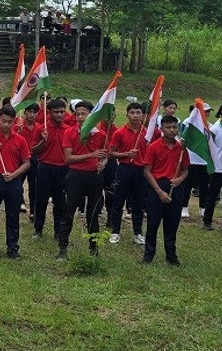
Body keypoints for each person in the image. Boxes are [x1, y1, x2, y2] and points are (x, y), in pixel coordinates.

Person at [0, 106, 32, 258]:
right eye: (3, 121)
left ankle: (13, 247)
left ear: (14, 121)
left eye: (10, 122)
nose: (6, 125)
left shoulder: (20, 140)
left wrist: (14, 174)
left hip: (13, 181)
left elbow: (27, 162)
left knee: (13, 215)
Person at [61, 100, 108, 259]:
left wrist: (102, 163)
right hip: (75, 175)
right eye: (77, 114)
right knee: (68, 212)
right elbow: (68, 158)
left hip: (94, 176)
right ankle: (63, 248)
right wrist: (91, 155)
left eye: (84, 114)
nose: (80, 117)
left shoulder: (100, 134)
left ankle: (93, 248)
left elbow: (104, 155)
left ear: (91, 115)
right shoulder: (69, 132)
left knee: (93, 215)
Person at [142, 115, 189, 265]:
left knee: (172, 224)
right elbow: (147, 171)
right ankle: (148, 255)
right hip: (158, 186)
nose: (171, 130)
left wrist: (180, 179)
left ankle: (171, 256)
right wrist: (159, 191)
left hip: (175, 187)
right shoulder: (154, 147)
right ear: (161, 129)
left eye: (174, 127)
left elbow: (186, 169)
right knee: (153, 223)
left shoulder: (181, 148)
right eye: (168, 127)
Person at [106, 102, 148, 245]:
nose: (135, 116)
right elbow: (111, 153)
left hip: (140, 171)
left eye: (138, 113)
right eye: (132, 113)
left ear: (142, 115)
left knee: (138, 202)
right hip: (124, 168)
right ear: (127, 115)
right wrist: (126, 154)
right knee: (118, 201)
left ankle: (137, 233)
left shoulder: (147, 133)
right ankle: (115, 231)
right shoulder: (119, 132)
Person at [32, 99, 71, 239]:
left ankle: (58, 231)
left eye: (62, 112)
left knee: (60, 201)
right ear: (49, 112)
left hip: (63, 168)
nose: (60, 115)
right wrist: (43, 140)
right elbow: (33, 151)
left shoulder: (68, 130)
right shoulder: (41, 129)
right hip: (45, 167)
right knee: (41, 200)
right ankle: (38, 229)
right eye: (56, 112)